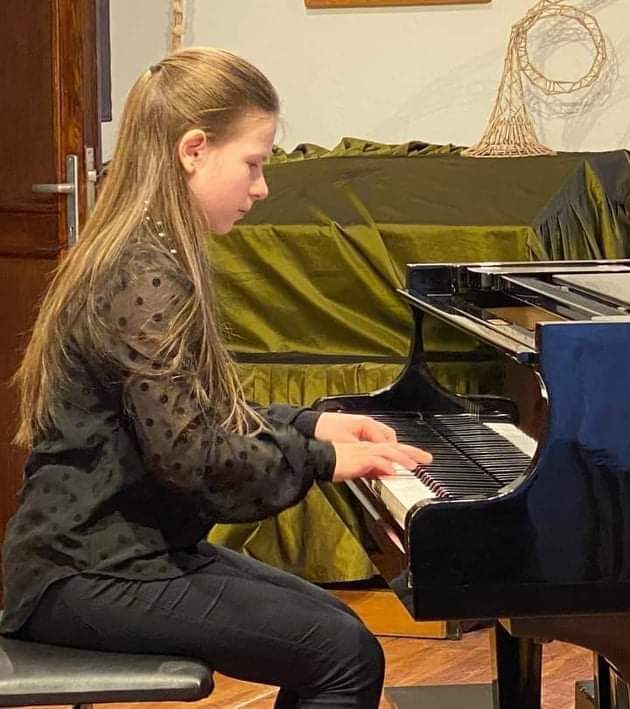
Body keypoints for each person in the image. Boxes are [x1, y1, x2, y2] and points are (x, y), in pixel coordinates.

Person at [1, 47, 431, 709]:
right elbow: (192, 456)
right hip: (86, 570)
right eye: (253, 163)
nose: (261, 187)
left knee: (338, 628)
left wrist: (310, 423)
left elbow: (191, 413)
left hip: (120, 550)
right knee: (341, 654)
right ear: (194, 150)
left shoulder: (146, 254)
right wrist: (320, 458)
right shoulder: (143, 274)